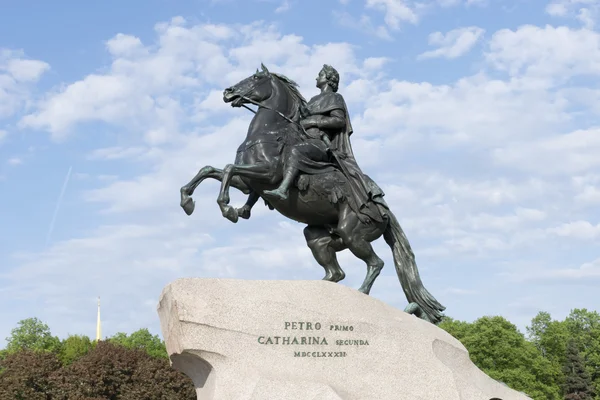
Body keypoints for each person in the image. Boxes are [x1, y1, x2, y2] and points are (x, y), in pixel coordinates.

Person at [264, 64, 386, 223]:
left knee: (295, 151)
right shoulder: (313, 100)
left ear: (329, 79)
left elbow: (339, 120)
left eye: (320, 74)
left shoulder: (335, 98)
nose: (316, 77)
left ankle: (283, 189)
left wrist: (314, 120)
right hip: (306, 139)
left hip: (321, 144)